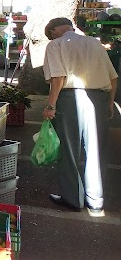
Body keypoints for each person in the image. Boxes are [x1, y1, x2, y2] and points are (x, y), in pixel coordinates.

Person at [42, 17, 117, 217]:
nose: (51, 37)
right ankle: (96, 201)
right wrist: (109, 103)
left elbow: (58, 79)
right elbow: (113, 77)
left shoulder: (55, 45)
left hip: (70, 98)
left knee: (69, 149)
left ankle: (73, 198)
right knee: (95, 150)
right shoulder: (95, 43)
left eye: (50, 33)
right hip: (98, 98)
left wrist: (50, 105)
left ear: (55, 30)